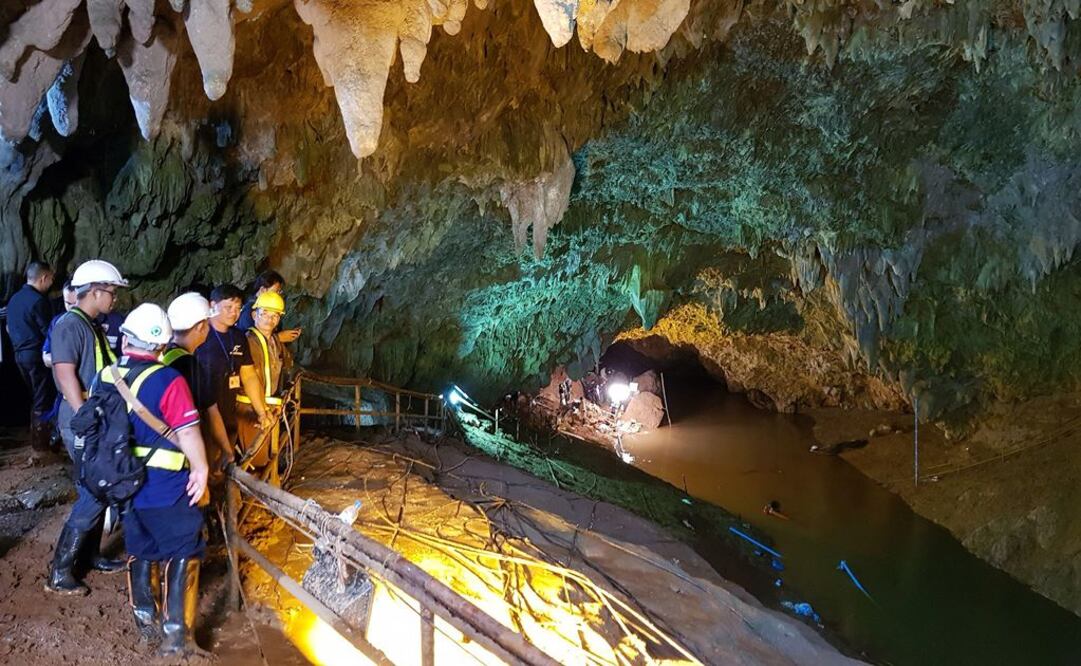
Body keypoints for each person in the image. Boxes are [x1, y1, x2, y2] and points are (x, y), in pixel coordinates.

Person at [94, 304, 209, 656]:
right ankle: (178, 640)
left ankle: (147, 625)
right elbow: (187, 431)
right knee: (184, 548)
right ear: (160, 347)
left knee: (141, 549)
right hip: (165, 484)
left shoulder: (106, 375)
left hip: (123, 484)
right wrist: (201, 469)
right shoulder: (168, 379)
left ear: (126, 338)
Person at [46, 259, 128, 595]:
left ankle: (90, 555)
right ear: (95, 291)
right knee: (94, 493)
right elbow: (64, 373)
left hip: (95, 417)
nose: (115, 299)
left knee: (99, 489)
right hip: (82, 420)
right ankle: (60, 571)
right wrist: (86, 417)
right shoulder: (70, 324)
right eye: (112, 292)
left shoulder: (91, 325)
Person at [163, 292, 234, 478]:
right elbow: (212, 412)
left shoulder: (162, 354)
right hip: (183, 453)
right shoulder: (190, 365)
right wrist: (227, 450)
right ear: (201, 326)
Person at [195, 285, 272, 449]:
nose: (233, 312)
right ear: (212, 305)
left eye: (238, 308)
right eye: (228, 307)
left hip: (228, 411)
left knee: (224, 463)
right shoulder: (198, 334)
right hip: (200, 416)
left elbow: (249, 376)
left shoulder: (238, 337)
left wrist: (262, 412)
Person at [236, 290, 292, 475]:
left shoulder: (273, 340)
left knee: (266, 452)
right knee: (256, 457)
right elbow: (249, 377)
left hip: (267, 405)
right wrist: (262, 410)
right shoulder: (248, 341)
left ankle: (263, 492)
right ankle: (251, 500)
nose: (270, 319)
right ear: (254, 315)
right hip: (251, 407)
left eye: (275, 315)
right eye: (265, 314)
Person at [5, 261, 56, 453]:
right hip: (36, 356)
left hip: (19, 356)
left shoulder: (14, 299)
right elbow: (47, 331)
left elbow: (9, 328)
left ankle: (37, 439)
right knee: (43, 398)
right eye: (51, 278)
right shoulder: (38, 301)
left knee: (35, 397)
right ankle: (41, 445)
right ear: (43, 278)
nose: (52, 282)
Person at [237, 270, 301, 343]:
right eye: (276, 291)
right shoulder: (250, 310)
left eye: (280, 292)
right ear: (263, 290)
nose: (279, 295)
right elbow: (248, 340)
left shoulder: (267, 307)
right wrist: (279, 338)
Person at [42, 280, 77, 368]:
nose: (72, 308)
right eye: (68, 303)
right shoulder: (57, 322)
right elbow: (46, 357)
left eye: (76, 303)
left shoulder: (100, 321)